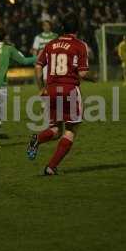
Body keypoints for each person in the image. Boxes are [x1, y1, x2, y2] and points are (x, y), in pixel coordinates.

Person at [27, 13, 96, 176]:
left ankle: (36, 139)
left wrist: (42, 87)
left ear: (62, 27)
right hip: (69, 90)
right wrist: (95, 78)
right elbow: (83, 74)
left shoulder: (51, 44)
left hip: (51, 90)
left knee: (55, 130)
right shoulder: (80, 45)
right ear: (78, 28)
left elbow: (38, 66)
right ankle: (51, 167)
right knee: (70, 129)